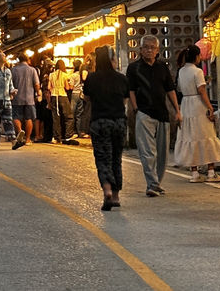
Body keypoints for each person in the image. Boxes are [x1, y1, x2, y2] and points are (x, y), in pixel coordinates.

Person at [127, 36, 182, 196]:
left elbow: (170, 90)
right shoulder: (134, 68)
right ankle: (151, 184)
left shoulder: (162, 68)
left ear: (157, 50)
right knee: (147, 151)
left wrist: (177, 111)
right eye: (146, 47)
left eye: (152, 47)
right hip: (144, 112)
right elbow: (130, 90)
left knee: (162, 152)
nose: (149, 50)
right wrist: (136, 108)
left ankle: (156, 182)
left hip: (162, 114)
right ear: (140, 49)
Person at [83, 45, 129, 210]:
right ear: (111, 60)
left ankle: (107, 191)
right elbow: (125, 100)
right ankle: (116, 196)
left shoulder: (92, 78)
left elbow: (87, 97)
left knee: (103, 159)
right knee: (116, 159)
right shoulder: (121, 78)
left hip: (100, 122)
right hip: (119, 122)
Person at [173, 44, 220, 182]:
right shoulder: (197, 72)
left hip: (186, 104)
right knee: (206, 135)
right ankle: (211, 172)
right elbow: (202, 91)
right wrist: (210, 107)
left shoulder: (181, 71)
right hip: (198, 105)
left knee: (190, 136)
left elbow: (179, 88)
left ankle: (195, 173)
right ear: (197, 57)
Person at [11, 53, 40, 147]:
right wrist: (38, 92)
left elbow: (10, 84)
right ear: (27, 59)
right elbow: (36, 84)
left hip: (16, 98)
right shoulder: (32, 70)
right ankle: (27, 139)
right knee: (29, 118)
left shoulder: (13, 70)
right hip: (29, 98)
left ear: (18, 60)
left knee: (16, 117)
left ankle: (20, 132)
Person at [48, 59, 78, 145]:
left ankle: (56, 137)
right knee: (69, 116)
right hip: (62, 96)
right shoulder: (65, 75)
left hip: (54, 96)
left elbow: (49, 87)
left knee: (56, 118)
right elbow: (67, 87)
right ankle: (68, 135)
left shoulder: (51, 75)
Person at [69, 59, 86, 138]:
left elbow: (71, 87)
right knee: (79, 114)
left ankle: (71, 131)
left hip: (74, 94)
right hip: (81, 94)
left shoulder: (73, 75)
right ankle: (79, 132)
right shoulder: (81, 74)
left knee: (72, 113)